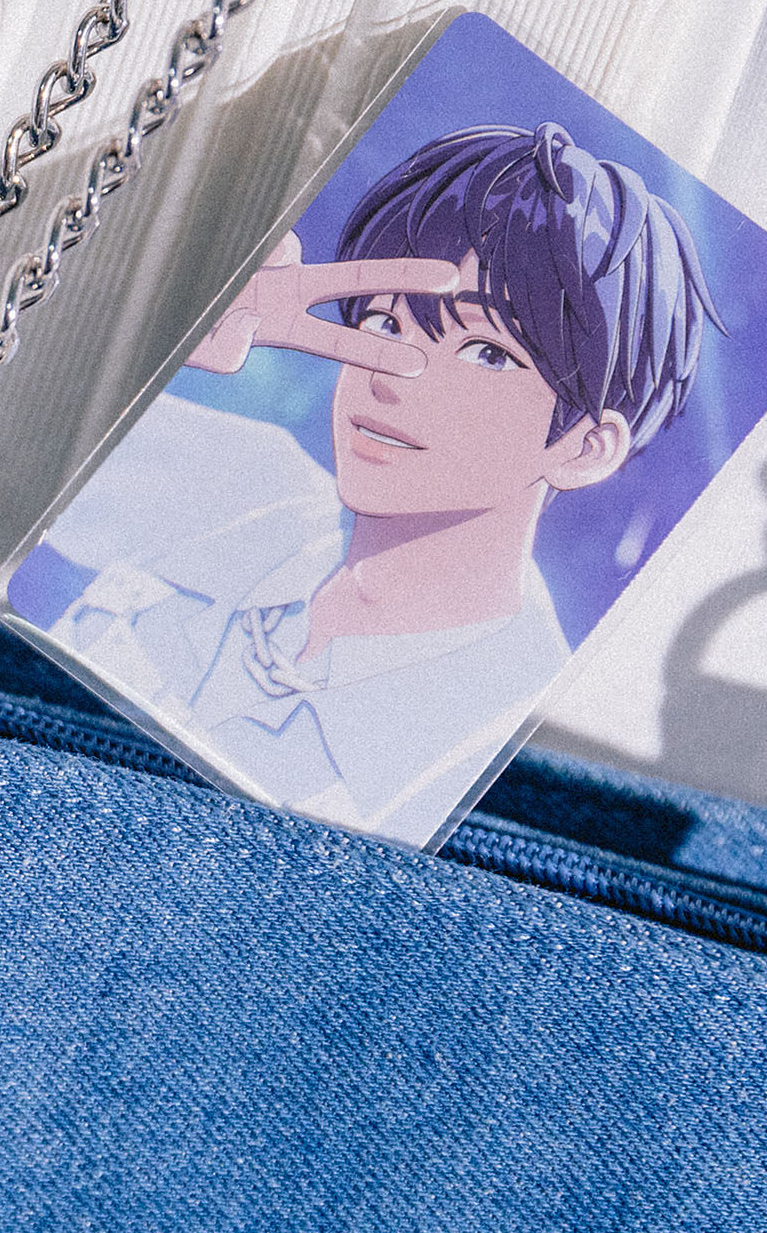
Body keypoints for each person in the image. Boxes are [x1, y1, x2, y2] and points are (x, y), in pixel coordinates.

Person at [36, 120, 717, 840]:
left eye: (486, 352)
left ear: (586, 448)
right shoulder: (245, 482)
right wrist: (159, 341)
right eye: (387, 324)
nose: (393, 376)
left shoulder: (509, 737)